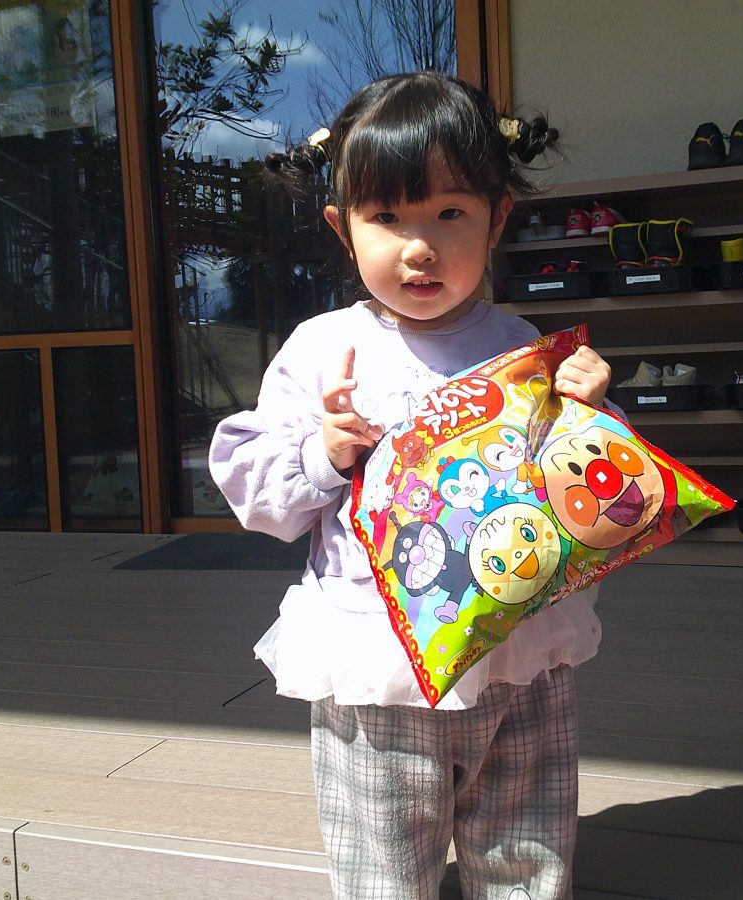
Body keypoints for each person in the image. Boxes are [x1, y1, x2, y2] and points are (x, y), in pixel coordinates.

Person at [209, 71, 612, 900]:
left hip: (515, 643)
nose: (418, 247)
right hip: (379, 662)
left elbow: (587, 497)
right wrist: (324, 454)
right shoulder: (323, 347)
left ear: (498, 218)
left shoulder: (521, 343)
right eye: (387, 218)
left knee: (528, 846)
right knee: (383, 862)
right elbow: (256, 492)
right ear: (342, 226)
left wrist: (589, 415)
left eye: (449, 214)